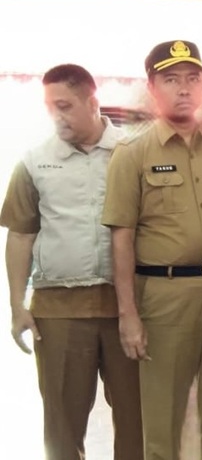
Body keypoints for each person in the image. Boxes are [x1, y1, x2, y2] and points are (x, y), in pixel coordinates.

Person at [101, 40, 202, 460]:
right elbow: (121, 237)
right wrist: (127, 314)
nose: (184, 88)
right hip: (164, 297)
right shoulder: (132, 153)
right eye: (171, 80)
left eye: (192, 78)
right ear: (152, 88)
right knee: (163, 418)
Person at [1, 63, 143, 460]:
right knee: (62, 426)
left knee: (138, 419)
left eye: (64, 106)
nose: (56, 116)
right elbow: (20, 235)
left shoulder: (133, 154)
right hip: (58, 310)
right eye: (50, 107)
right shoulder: (34, 162)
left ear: (92, 101)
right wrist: (17, 305)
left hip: (129, 309)